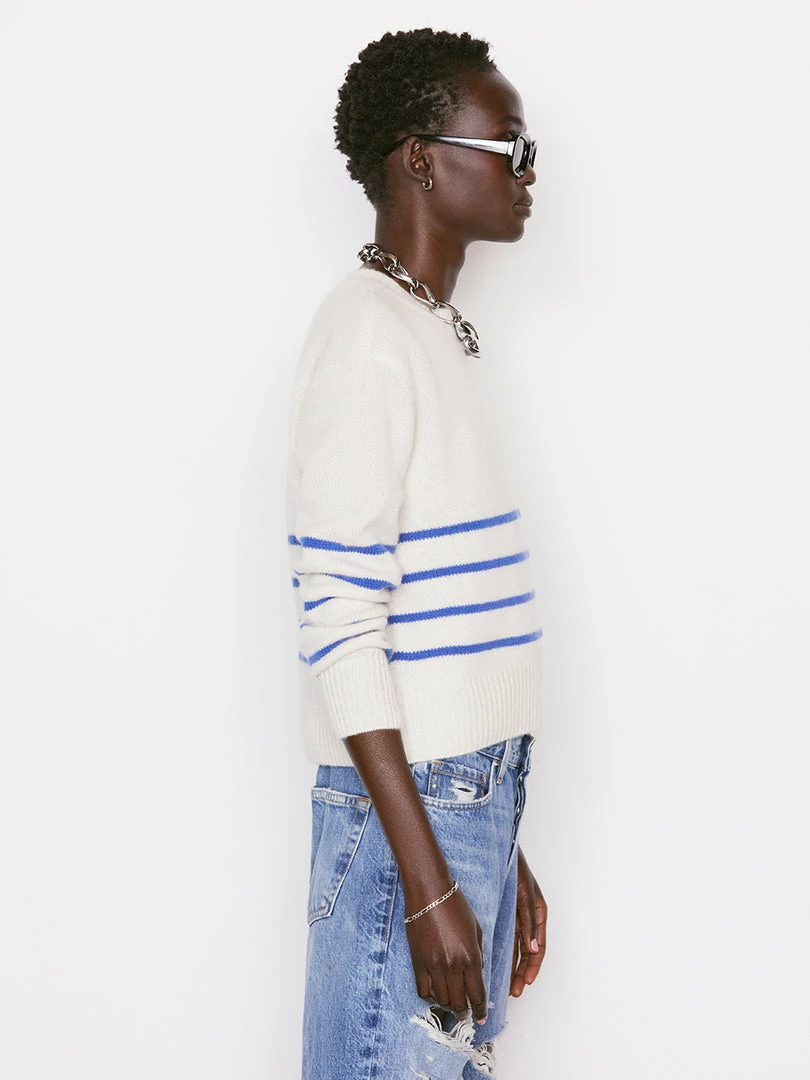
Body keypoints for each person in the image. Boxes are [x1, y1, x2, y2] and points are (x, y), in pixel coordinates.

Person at [286, 28, 547, 1080]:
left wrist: (502, 840)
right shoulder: (367, 336)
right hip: (415, 824)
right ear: (423, 161)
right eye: (510, 145)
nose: (529, 172)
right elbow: (339, 622)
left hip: (462, 807)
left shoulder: (433, 328)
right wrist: (432, 880)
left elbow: (444, 627)